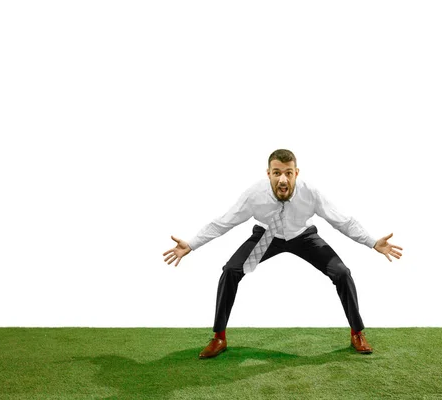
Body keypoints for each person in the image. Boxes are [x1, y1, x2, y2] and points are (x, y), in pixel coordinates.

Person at [163, 149, 403, 359]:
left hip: (303, 236)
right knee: (230, 271)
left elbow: (342, 220)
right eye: (277, 172)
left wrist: (372, 242)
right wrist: (192, 244)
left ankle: (357, 333)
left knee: (342, 273)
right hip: (267, 237)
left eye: (288, 172)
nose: (283, 178)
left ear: (296, 173)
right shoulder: (254, 195)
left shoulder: (310, 192)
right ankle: (219, 337)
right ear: (268, 174)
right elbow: (223, 222)